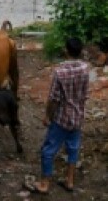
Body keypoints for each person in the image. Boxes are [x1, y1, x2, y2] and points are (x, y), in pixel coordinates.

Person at [30, 37, 90, 195]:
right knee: (73, 148)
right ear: (80, 51)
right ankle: (70, 181)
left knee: (48, 150)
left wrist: (47, 116)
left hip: (62, 117)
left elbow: (54, 99)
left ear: (66, 51)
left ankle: (44, 183)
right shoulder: (85, 68)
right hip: (78, 115)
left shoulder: (60, 72)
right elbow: (84, 93)